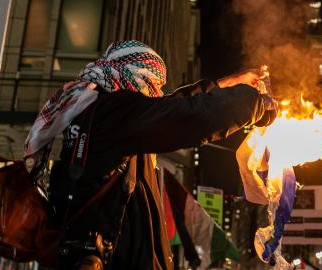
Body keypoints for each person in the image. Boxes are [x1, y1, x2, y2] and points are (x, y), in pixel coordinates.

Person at [23, 40, 277, 270]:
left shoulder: (96, 108)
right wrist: (254, 103)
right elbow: (184, 117)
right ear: (135, 75)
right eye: (153, 84)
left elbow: (168, 107)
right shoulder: (113, 113)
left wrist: (227, 83)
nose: (155, 92)